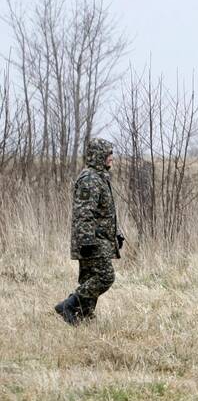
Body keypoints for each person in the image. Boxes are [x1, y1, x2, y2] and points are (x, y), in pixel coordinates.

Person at [54, 138, 125, 325]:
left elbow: (105, 212)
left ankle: (83, 316)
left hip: (100, 238)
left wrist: (117, 233)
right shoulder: (89, 179)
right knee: (104, 277)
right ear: (98, 156)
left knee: (90, 278)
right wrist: (86, 241)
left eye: (111, 154)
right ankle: (69, 306)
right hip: (92, 240)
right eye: (108, 154)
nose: (111, 158)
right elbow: (84, 213)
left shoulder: (100, 177)